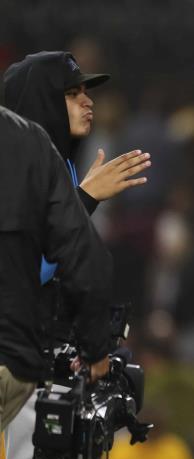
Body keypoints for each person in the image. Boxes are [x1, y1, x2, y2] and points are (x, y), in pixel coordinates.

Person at [2, 51, 150, 459]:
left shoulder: (52, 163)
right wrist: (84, 199)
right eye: (71, 93)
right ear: (40, 100)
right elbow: (36, 266)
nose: (87, 102)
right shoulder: (19, 164)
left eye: (86, 91)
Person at [0, 104, 111, 432]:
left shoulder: (47, 155)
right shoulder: (29, 144)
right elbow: (72, 259)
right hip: (17, 357)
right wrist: (96, 347)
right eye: (70, 93)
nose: (87, 102)